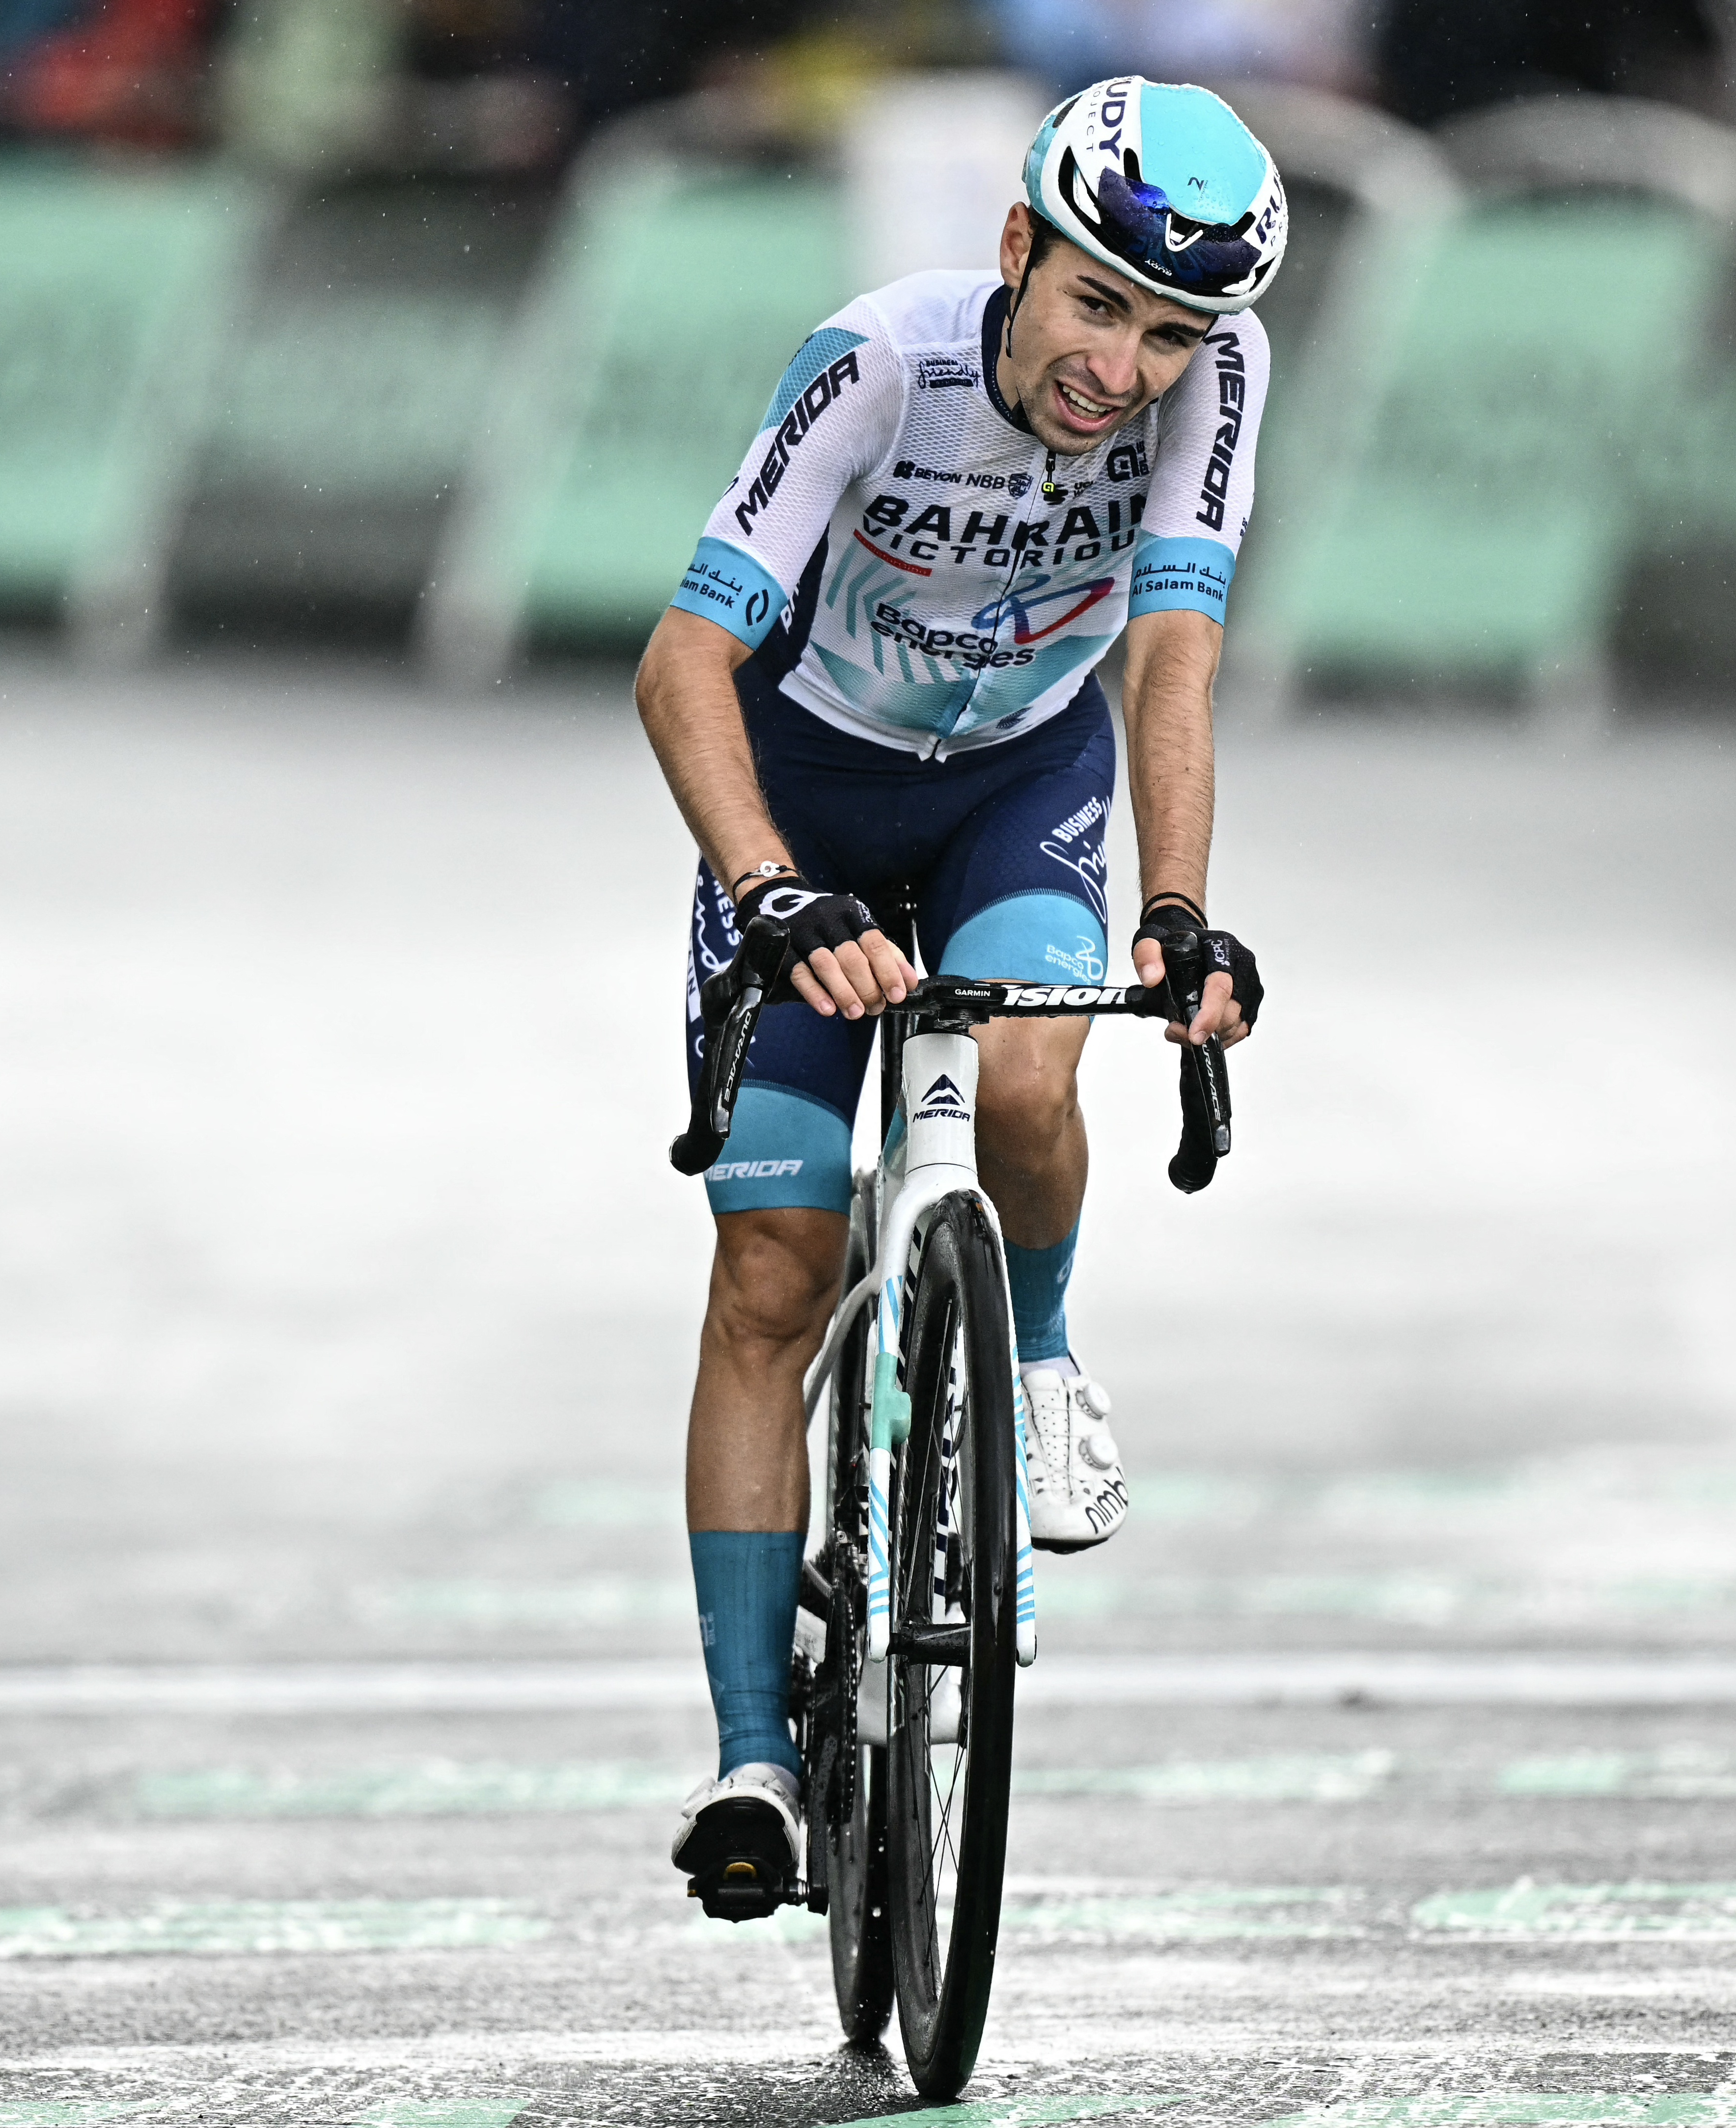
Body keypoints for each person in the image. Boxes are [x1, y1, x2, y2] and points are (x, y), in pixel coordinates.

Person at [634, 74, 1280, 1916]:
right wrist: (769, 890)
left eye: (1167, 333)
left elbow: (1170, 660)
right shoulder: (876, 364)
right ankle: (757, 1752)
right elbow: (683, 662)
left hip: (1019, 785)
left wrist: (1178, 910)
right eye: (1098, 307)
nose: (1123, 369)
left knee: (1024, 1083)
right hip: (809, 795)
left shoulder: (1210, 386)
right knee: (769, 1266)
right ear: (1018, 251)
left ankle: (1045, 1360)